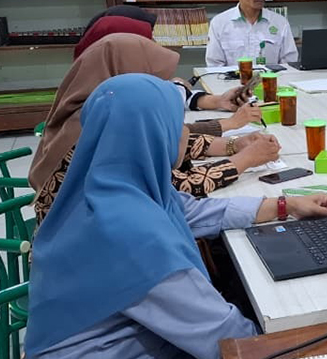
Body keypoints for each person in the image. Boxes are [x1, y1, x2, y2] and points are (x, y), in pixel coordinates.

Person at [27, 73, 256, 359]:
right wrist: (288, 337)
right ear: (151, 133)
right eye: (177, 124)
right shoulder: (130, 231)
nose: (185, 133)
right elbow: (225, 340)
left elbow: (191, 210)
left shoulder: (103, 185)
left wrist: (283, 206)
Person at [30, 33, 281, 221]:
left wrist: (234, 144)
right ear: (126, 74)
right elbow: (178, 186)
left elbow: (161, 141)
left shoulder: (97, 109)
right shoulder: (94, 130)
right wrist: (246, 159)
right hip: (94, 253)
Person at [78, 7, 261, 137]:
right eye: (146, 42)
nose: (155, 47)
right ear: (120, 52)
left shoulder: (109, 80)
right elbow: (170, 137)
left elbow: (171, 94)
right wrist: (230, 125)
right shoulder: (100, 107)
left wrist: (218, 101)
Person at [205, 0, 298, 67]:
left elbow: (290, 63)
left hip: (271, 77)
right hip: (234, 78)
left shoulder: (280, 23)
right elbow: (214, 66)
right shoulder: (219, 23)